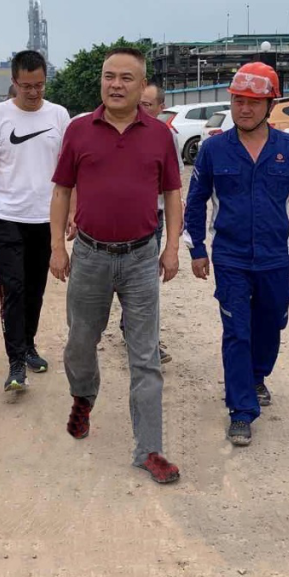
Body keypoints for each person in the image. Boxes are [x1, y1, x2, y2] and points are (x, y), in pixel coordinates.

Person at [50, 47, 183, 485]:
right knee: (80, 343)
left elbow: (172, 194)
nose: (116, 84)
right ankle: (83, 396)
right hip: (89, 255)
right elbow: (61, 191)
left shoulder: (160, 135)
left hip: (141, 257)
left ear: (142, 85)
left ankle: (149, 449)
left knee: (145, 356)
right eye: (109, 76)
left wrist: (171, 248)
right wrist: (57, 247)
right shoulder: (78, 130)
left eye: (127, 78)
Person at [185, 62, 289, 447]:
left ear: (270, 105)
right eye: (237, 101)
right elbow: (195, 202)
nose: (244, 109)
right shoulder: (214, 149)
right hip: (229, 258)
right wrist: (197, 249)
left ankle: (257, 376)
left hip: (275, 258)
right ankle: (241, 410)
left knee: (272, 322)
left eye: (253, 102)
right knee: (236, 331)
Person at [0, 50, 70, 393]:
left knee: (35, 288)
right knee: (13, 288)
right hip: (8, 217)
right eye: (26, 86)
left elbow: (68, 170)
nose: (33, 92)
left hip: (46, 218)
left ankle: (28, 345)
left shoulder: (59, 115)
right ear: (14, 82)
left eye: (39, 85)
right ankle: (15, 361)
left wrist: (72, 212)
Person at [128, 82, 184, 365]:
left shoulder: (165, 136)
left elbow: (174, 185)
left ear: (161, 108)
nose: (141, 109)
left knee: (147, 282)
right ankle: (130, 327)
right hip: (121, 219)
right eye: (139, 103)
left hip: (153, 218)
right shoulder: (120, 131)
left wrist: (174, 240)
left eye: (147, 105)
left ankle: (146, 340)